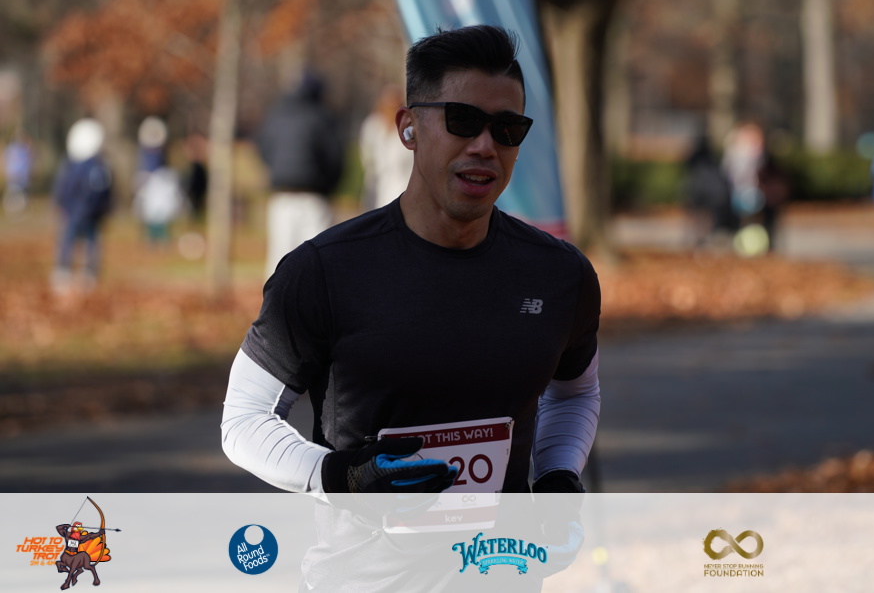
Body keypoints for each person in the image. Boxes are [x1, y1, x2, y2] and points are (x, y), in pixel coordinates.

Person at [222, 25, 601, 502]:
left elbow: (575, 393)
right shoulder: (323, 271)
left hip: (503, 551)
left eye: (507, 128)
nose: (485, 146)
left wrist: (557, 475)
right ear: (408, 128)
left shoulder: (560, 275)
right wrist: (340, 476)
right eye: (463, 120)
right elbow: (244, 418)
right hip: (366, 553)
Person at [254, 71, 345, 276]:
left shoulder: (275, 115)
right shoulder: (321, 116)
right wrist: (329, 187)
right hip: (314, 197)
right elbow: (335, 158)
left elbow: (263, 149)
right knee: (319, 260)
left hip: (281, 197)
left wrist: (277, 171)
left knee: (279, 260)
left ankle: (277, 298)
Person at [51, 118, 114, 293]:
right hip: (78, 212)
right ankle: (67, 271)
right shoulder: (87, 165)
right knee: (74, 241)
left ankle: (84, 273)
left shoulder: (91, 166)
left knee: (84, 242)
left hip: (84, 213)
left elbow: (100, 192)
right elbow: (65, 188)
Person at [359, 82, 412, 211]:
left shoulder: (408, 130)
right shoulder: (372, 125)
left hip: (400, 192)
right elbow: (366, 157)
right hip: (374, 190)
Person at [3, 132, 32, 215]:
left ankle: (16, 209)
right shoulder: (21, 149)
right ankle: (15, 209)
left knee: (17, 193)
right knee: (16, 193)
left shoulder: (11, 149)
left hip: (14, 174)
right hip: (17, 174)